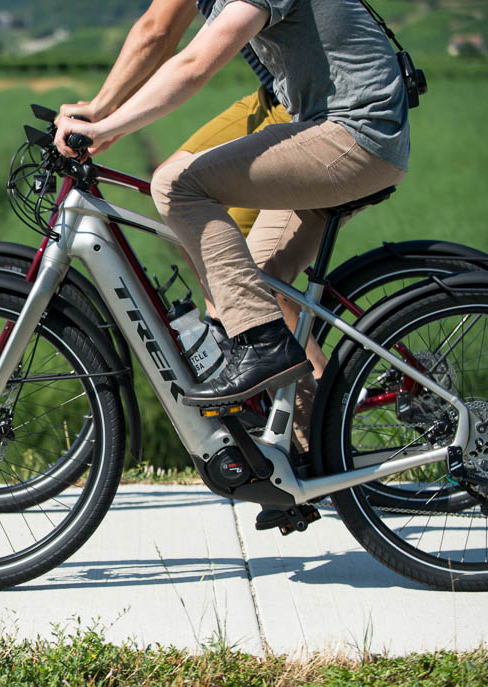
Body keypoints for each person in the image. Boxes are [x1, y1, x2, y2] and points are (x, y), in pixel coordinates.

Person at [54, 0, 409, 413]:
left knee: (175, 183)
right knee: (259, 284)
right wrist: (103, 119)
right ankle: (311, 453)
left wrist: (103, 127)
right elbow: (162, 33)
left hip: (352, 137)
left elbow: (194, 63)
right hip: (324, 129)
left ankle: (260, 343)